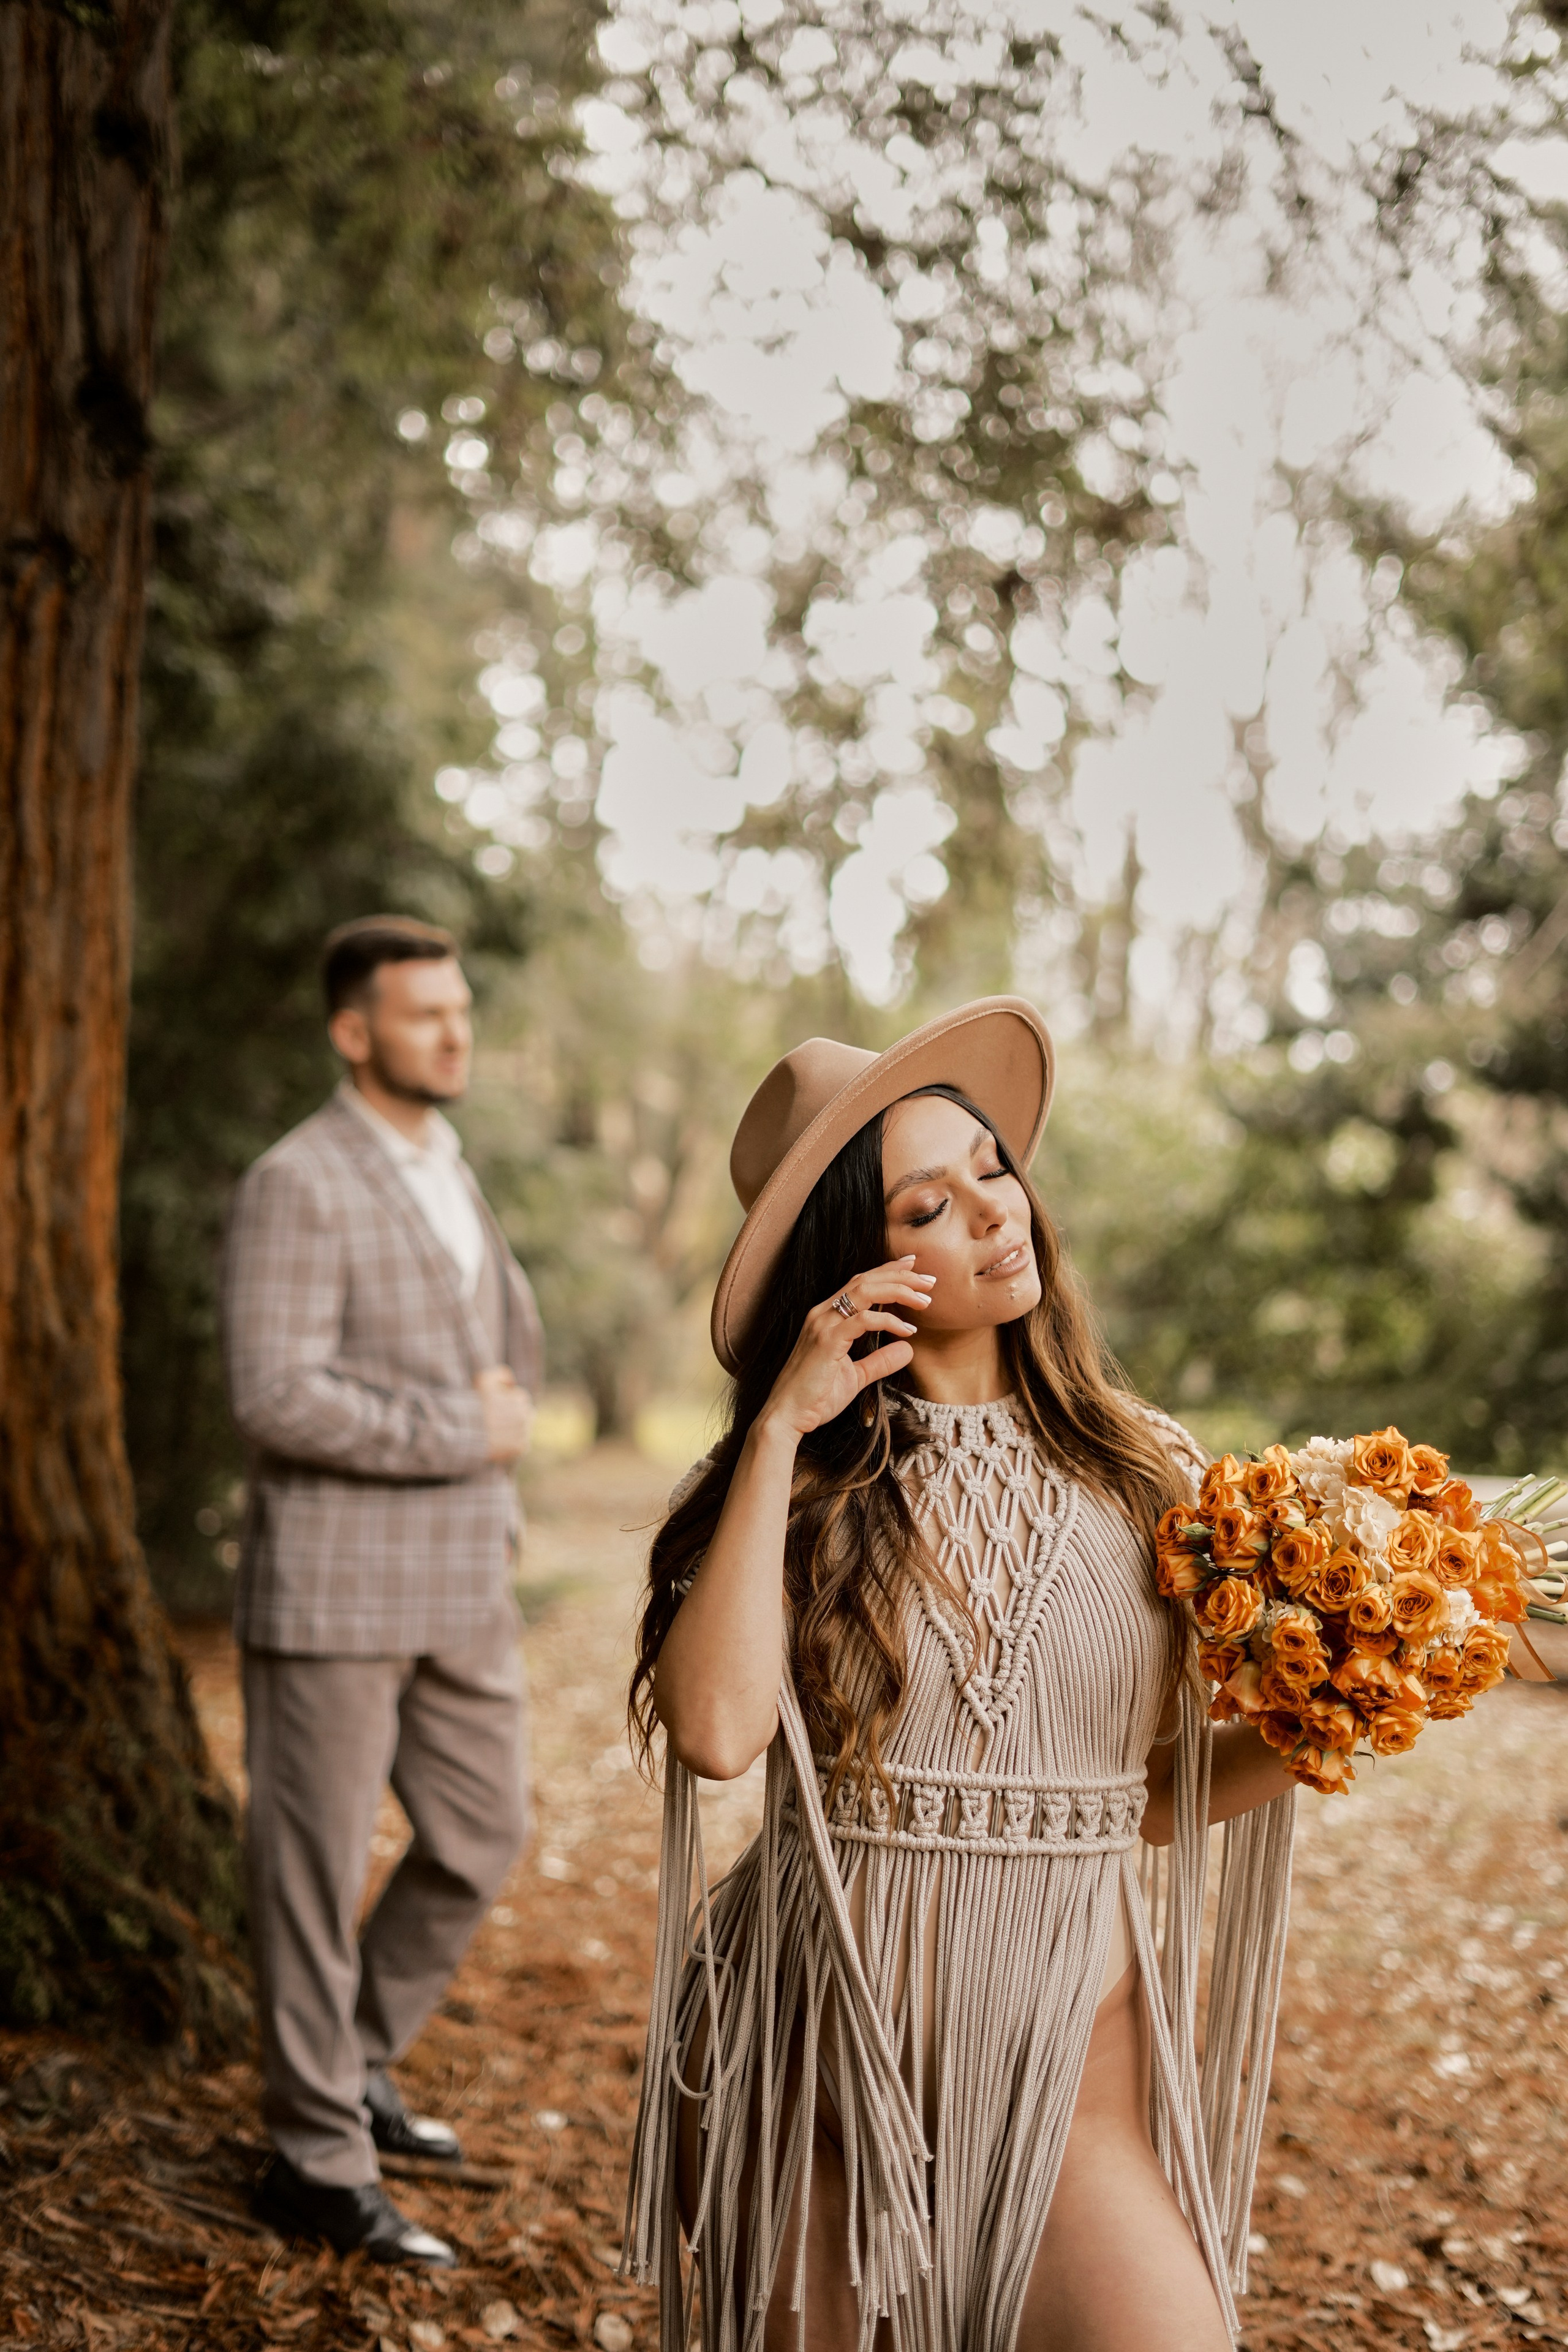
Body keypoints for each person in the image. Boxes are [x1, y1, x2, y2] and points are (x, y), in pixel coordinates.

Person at [622, 997, 1297, 2351]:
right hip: (803, 2082)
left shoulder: (1148, 1478)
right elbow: (710, 1732)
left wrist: (1323, 1721)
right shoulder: (793, 1487)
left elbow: (1136, 1800)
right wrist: (774, 1437)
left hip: (1063, 2098)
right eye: (926, 1206)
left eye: (991, 1167)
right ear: (849, 1269)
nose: (995, 1211)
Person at [222, 914, 543, 2267]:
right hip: (335, 1586)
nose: (453, 1031)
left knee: (482, 1833)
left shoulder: (445, 1167)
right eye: (423, 1013)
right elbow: (274, 1393)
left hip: (464, 1577)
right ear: (353, 1030)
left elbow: (490, 1347)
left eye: (458, 1008)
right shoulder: (298, 1180)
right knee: (308, 1874)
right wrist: (456, 1432)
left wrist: (495, 1449)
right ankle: (311, 2155)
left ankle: (351, 2061)